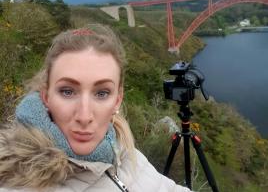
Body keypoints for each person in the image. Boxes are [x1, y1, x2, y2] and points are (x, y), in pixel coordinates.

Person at [0, 25, 191, 191]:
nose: (84, 116)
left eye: (102, 93)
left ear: (118, 99)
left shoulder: (125, 153)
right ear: (45, 96)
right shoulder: (17, 181)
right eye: (67, 91)